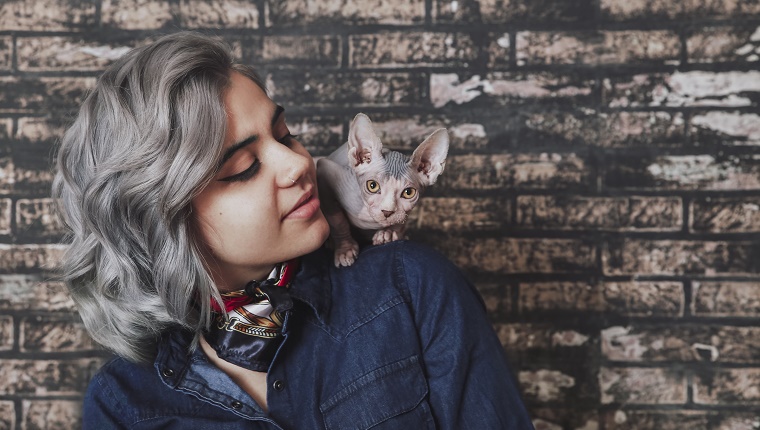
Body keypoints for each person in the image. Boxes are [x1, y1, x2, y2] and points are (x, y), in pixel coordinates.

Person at [53, 31, 534, 429]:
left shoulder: (410, 287)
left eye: (284, 135)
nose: (298, 163)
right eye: (243, 167)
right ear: (162, 223)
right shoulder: (121, 406)